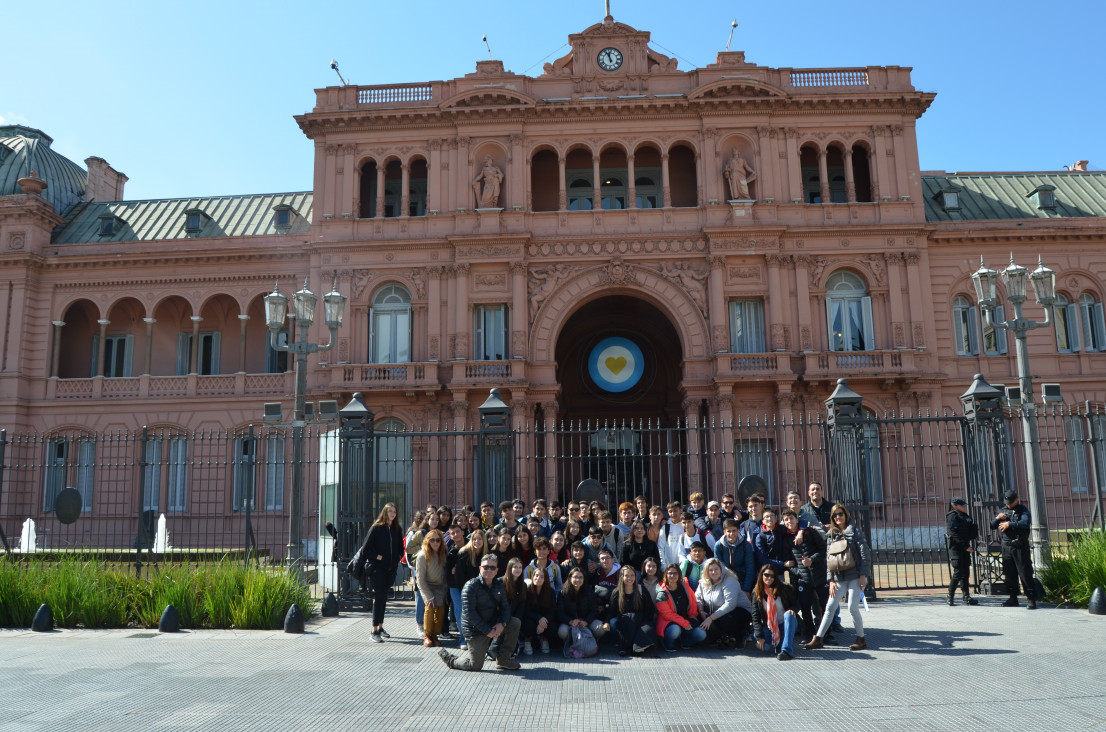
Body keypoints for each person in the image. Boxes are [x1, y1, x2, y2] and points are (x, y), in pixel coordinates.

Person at [438, 553, 522, 671]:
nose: (489, 570)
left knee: (515, 622)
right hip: (475, 630)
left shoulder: (499, 585)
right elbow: (470, 614)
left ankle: (504, 658)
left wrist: (502, 624)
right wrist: (488, 631)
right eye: (485, 567)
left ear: (497, 570)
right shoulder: (470, 586)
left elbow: (505, 608)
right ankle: (450, 659)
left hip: (492, 623)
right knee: (475, 665)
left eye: (492, 568)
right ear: (480, 568)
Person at [805, 504, 871, 651]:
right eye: (835, 515)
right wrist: (831, 580)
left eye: (840, 514)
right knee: (830, 607)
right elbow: (829, 559)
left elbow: (865, 554)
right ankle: (818, 638)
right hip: (839, 577)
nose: (838, 517)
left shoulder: (855, 531)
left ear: (846, 515)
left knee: (852, 607)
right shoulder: (831, 535)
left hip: (855, 576)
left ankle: (861, 639)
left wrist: (863, 575)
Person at [352, 502, 404, 643]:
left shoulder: (396, 529)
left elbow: (400, 547)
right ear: (385, 512)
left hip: (391, 568)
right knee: (379, 596)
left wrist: (397, 557)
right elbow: (365, 549)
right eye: (390, 511)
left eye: (394, 511)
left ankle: (380, 627)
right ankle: (373, 630)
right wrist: (377, 556)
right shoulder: (376, 528)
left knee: (383, 597)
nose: (392, 514)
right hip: (377, 568)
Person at [782, 508, 827, 642]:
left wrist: (812, 560)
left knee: (824, 605)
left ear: (797, 519)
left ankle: (826, 632)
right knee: (805, 605)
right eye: (786, 520)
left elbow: (823, 550)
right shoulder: (786, 539)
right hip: (803, 579)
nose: (789, 521)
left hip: (819, 575)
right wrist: (799, 572)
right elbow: (789, 563)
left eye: (791, 518)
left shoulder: (810, 532)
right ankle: (809, 633)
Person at [695, 557, 753, 649]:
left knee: (726, 620)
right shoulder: (703, 582)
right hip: (717, 611)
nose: (713, 572)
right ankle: (720, 638)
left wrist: (710, 618)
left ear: (721, 569)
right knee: (701, 616)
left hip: (739, 611)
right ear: (707, 571)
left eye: (716, 569)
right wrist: (701, 611)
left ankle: (741, 636)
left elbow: (730, 605)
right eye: (710, 570)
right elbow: (698, 598)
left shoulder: (730, 581)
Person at [991, 490, 1035, 609]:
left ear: (1016, 499)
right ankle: (1013, 597)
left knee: (1024, 573)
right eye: (1007, 502)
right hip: (1006, 546)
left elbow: (1025, 523)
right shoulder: (1002, 510)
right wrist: (997, 518)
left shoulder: (1023, 510)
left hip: (1019, 546)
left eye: (1011, 502)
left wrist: (1010, 524)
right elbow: (992, 525)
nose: (1009, 505)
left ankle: (1031, 599)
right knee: (1009, 574)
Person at [654, 563, 708, 652]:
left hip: (686, 619)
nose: (672, 575)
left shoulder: (685, 585)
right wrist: (684, 623)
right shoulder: (661, 592)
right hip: (669, 622)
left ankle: (685, 641)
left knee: (701, 634)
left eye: (675, 573)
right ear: (666, 575)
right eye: (670, 573)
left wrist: (693, 614)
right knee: (675, 630)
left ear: (679, 575)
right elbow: (667, 614)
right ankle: (668, 643)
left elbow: (693, 601)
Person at [750, 564, 799, 660]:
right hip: (770, 627)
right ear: (761, 575)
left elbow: (797, 604)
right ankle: (776, 645)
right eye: (766, 575)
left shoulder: (785, 588)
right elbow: (755, 616)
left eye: (772, 576)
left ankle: (786, 651)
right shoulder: (757, 592)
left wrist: (793, 610)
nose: (769, 578)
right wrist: (760, 637)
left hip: (785, 624)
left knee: (789, 615)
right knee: (756, 636)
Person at [606, 565, 657, 656]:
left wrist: (640, 619)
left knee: (648, 627)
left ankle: (636, 646)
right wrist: (606, 622)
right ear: (622, 577)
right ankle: (621, 643)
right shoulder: (616, 592)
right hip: (623, 621)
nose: (629, 578)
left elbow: (650, 608)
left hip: (640, 620)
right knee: (613, 622)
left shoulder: (641, 589)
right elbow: (611, 611)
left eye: (632, 575)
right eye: (627, 575)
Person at [449, 529, 487, 651]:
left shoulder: (486, 555)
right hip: (459, 587)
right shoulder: (464, 553)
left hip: (478, 590)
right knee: (461, 612)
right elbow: (459, 577)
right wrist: (467, 594)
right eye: (474, 539)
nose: (477, 541)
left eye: (480, 539)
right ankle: (464, 639)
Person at [415, 529, 449, 647]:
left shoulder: (443, 553)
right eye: (432, 540)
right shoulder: (422, 556)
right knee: (429, 608)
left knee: (440, 611)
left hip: (441, 586)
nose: (435, 543)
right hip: (427, 585)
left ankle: (435, 635)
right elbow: (420, 579)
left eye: (438, 540)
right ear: (428, 541)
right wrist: (428, 596)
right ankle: (427, 635)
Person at [557, 567, 608, 643]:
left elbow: (594, 611)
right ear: (570, 578)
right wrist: (570, 621)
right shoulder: (563, 593)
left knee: (600, 628)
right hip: (571, 621)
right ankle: (571, 643)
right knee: (562, 632)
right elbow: (560, 613)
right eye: (575, 577)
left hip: (586, 620)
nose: (578, 580)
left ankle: (590, 641)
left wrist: (586, 621)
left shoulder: (589, 592)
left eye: (581, 577)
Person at [946, 497, 979, 606]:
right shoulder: (952, 516)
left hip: (965, 548)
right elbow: (954, 534)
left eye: (965, 505)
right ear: (955, 506)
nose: (965, 507)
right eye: (962, 505)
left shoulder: (966, 517)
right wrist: (966, 546)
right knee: (958, 572)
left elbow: (969, 533)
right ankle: (950, 596)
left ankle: (966, 596)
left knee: (966, 573)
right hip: (956, 549)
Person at [712, 518, 756, 594]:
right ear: (724, 532)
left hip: (742, 578)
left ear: (738, 531)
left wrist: (746, 589)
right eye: (729, 531)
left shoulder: (746, 545)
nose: (732, 534)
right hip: (726, 579)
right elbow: (719, 567)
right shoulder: (719, 546)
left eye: (734, 531)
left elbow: (750, 567)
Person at [522, 567, 557, 655]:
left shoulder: (551, 592)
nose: (538, 578)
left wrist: (544, 620)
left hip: (544, 619)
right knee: (528, 623)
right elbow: (525, 611)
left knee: (552, 625)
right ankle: (527, 640)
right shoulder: (527, 590)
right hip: (531, 618)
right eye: (536, 575)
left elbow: (553, 611)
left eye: (542, 576)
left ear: (545, 579)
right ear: (532, 577)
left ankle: (544, 639)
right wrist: (539, 618)